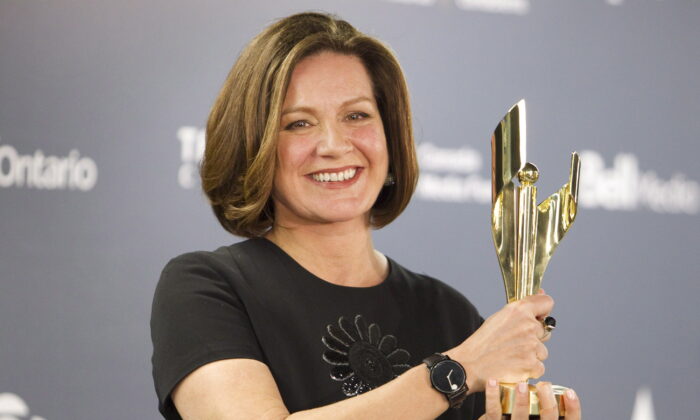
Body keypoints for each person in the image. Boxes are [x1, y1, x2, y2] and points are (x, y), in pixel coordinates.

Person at [150, 12, 582, 420]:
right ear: (255, 145)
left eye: (356, 116)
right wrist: (457, 370)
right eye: (299, 123)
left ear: (390, 136)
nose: (334, 145)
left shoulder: (448, 315)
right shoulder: (207, 289)